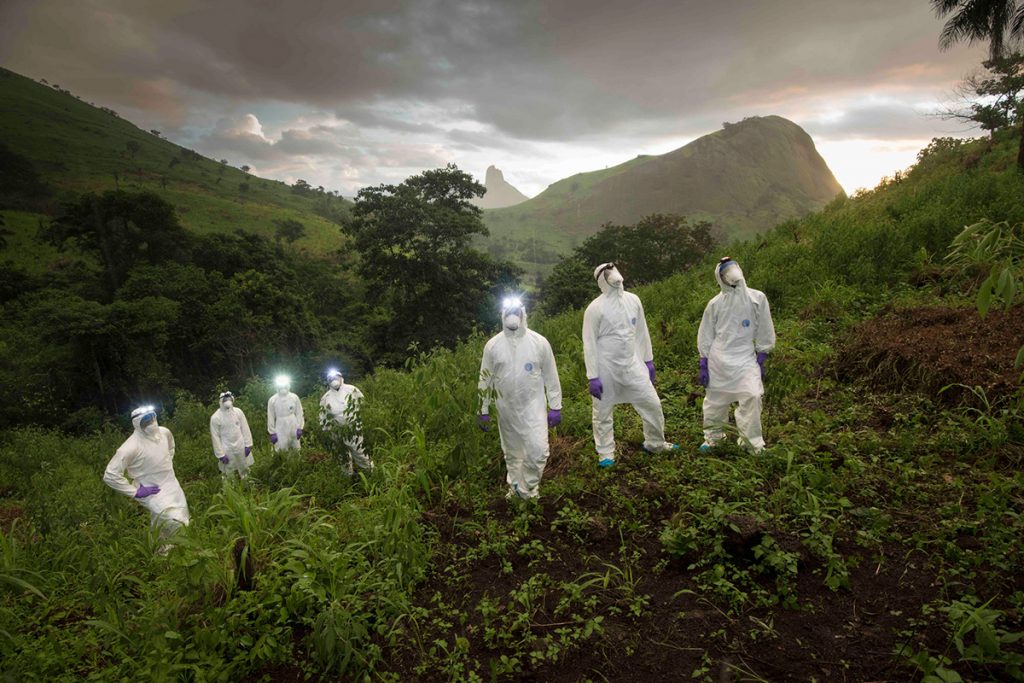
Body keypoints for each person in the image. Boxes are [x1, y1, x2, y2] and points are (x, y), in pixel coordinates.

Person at [583, 263, 677, 468]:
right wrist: (593, 376)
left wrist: (648, 360)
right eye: (607, 273)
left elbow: (642, 332)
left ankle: (655, 443)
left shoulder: (633, 300)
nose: (614, 275)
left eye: (613, 269)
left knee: (651, 403)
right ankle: (606, 453)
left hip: (632, 364)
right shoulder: (595, 309)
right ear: (601, 280)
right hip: (606, 368)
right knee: (602, 411)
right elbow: (589, 343)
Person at [478, 297, 563, 499]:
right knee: (512, 454)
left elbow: (551, 376)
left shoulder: (539, 342)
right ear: (502, 315)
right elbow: (485, 379)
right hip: (505, 409)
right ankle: (516, 488)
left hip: (533, 408)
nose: (512, 315)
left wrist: (555, 405)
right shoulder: (493, 346)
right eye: (508, 311)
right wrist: (482, 410)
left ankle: (526, 489)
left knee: (539, 451)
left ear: (523, 313)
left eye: (516, 310)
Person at [697, 257, 776, 453]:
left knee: (752, 395)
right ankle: (714, 439)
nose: (731, 274)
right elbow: (706, 333)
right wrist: (704, 361)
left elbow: (765, 326)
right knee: (715, 401)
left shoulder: (757, 298)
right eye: (725, 271)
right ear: (720, 278)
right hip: (719, 359)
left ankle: (751, 442)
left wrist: (763, 352)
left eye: (732, 268)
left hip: (745, 358)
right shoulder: (715, 304)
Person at [103, 406, 189, 552]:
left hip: (172, 484)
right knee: (178, 522)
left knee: (167, 520)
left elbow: (171, 448)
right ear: (137, 424)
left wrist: (166, 464)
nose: (152, 423)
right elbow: (110, 475)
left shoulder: (164, 432)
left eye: (152, 418)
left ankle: (163, 555)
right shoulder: (130, 447)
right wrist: (135, 492)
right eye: (146, 421)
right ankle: (182, 550)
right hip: (151, 492)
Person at [319, 368, 374, 476]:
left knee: (359, 451)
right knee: (342, 454)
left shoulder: (351, 389)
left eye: (335, 377)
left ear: (340, 377)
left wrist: (364, 419)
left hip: (354, 428)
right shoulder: (326, 397)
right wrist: (326, 430)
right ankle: (348, 476)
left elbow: (363, 404)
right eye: (331, 378)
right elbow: (323, 416)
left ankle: (369, 472)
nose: (334, 380)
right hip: (336, 431)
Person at [210, 391, 254, 478]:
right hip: (226, 447)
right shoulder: (215, 417)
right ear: (221, 401)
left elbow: (245, 428)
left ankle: (247, 483)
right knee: (228, 470)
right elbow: (215, 437)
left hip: (240, 444)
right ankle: (230, 487)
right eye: (225, 400)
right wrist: (220, 454)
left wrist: (248, 445)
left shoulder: (238, 412)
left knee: (244, 466)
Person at [267, 375, 304, 452]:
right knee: (280, 447)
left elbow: (299, 413)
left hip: (293, 423)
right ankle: (281, 462)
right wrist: (272, 432)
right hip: (280, 425)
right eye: (281, 385)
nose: (283, 387)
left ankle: (297, 463)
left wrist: (299, 427)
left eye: (284, 385)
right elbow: (270, 417)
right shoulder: (272, 400)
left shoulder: (294, 397)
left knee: (296, 447)